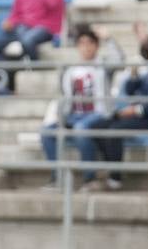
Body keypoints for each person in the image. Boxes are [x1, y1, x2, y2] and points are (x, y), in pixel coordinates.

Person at [84, 34, 148, 191]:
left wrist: (136, 110)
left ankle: (115, 179)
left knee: (114, 131)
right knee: (97, 126)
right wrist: (134, 73)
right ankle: (111, 167)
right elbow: (131, 89)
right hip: (138, 113)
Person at [40, 27, 109, 188]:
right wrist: (61, 115)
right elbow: (64, 98)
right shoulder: (70, 70)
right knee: (47, 131)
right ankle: (57, 177)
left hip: (97, 114)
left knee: (80, 128)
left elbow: (119, 59)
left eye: (90, 43)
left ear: (96, 46)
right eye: (82, 43)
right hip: (74, 115)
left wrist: (109, 39)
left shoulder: (104, 67)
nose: (86, 47)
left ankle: (89, 178)